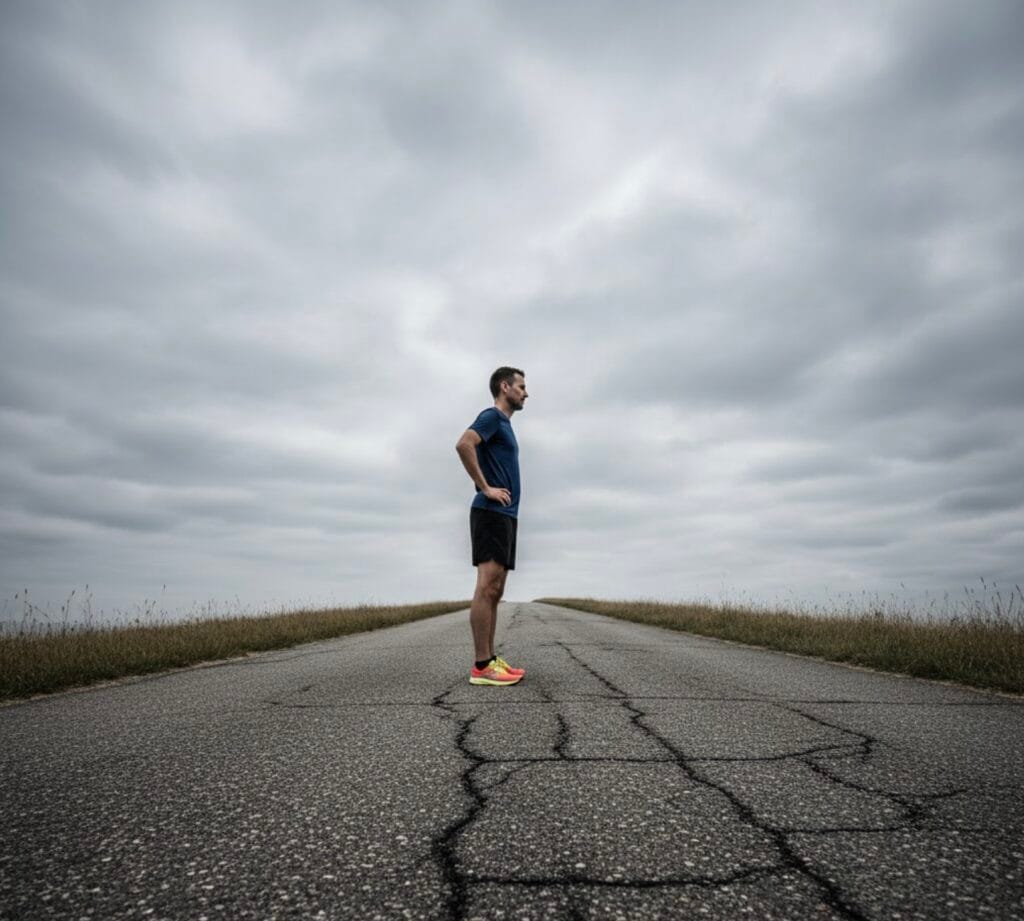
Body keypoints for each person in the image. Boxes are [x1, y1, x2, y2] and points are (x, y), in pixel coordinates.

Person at [455, 367, 529, 686]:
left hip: (506, 515)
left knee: (496, 590)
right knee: (487, 586)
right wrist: (485, 487)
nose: (526, 392)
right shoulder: (492, 417)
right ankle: (481, 665)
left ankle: (490, 658)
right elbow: (463, 444)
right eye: (521, 386)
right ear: (504, 387)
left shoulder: (505, 426)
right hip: (490, 512)